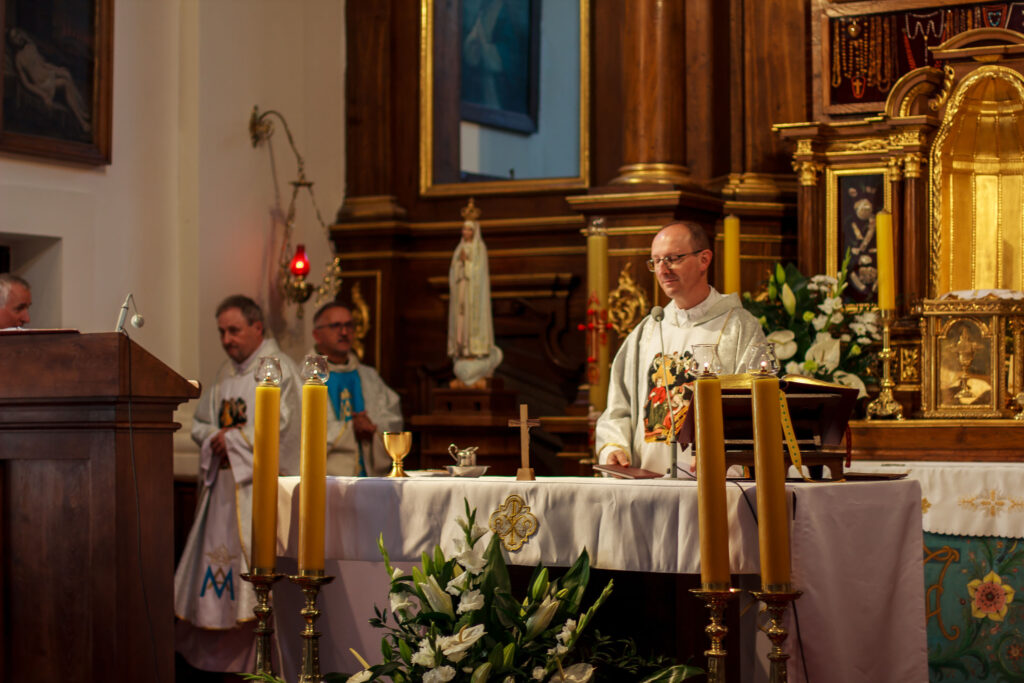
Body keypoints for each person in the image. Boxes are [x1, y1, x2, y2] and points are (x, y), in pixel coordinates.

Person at [174, 295, 301, 672]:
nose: (227, 339)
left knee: (258, 585)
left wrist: (228, 440)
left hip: (257, 493)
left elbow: (284, 430)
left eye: (234, 330)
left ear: (257, 328)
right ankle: (222, 664)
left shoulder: (280, 371)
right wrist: (217, 437)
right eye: (221, 332)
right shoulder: (225, 374)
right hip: (223, 494)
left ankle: (261, 664)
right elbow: (200, 424)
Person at [595, 221, 766, 476]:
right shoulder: (648, 330)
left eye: (673, 259)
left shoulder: (739, 328)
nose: (663, 270)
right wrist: (615, 447)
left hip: (715, 484)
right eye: (656, 262)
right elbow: (619, 406)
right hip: (647, 483)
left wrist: (726, 451)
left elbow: (756, 409)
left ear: (704, 259)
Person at [310, 301, 402, 476]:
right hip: (326, 479)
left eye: (349, 326)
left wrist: (372, 429)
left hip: (370, 478)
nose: (344, 332)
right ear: (317, 335)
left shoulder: (369, 377)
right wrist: (349, 429)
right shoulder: (305, 378)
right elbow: (300, 432)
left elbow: (393, 420)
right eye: (336, 326)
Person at [8, 28, 92, 133]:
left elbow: (43, 64)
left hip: (48, 75)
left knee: (66, 74)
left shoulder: (31, 47)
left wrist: (57, 69)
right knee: (65, 83)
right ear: (12, 42)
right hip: (42, 84)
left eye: (17, 35)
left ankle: (81, 109)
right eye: (14, 38)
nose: (17, 38)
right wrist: (42, 94)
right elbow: (26, 83)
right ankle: (82, 121)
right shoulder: (18, 59)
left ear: (21, 34)